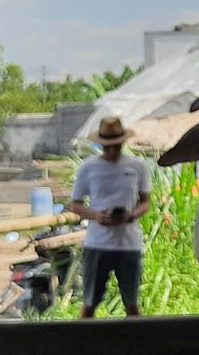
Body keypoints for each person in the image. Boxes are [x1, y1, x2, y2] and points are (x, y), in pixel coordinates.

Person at [70, 117, 150, 318]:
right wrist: (96, 215)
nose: (112, 151)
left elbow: (145, 202)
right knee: (89, 303)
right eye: (108, 147)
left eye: (116, 146)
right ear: (101, 145)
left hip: (128, 244)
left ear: (122, 142)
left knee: (131, 303)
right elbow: (75, 204)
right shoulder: (88, 167)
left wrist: (130, 215)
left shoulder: (138, 166)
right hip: (98, 244)